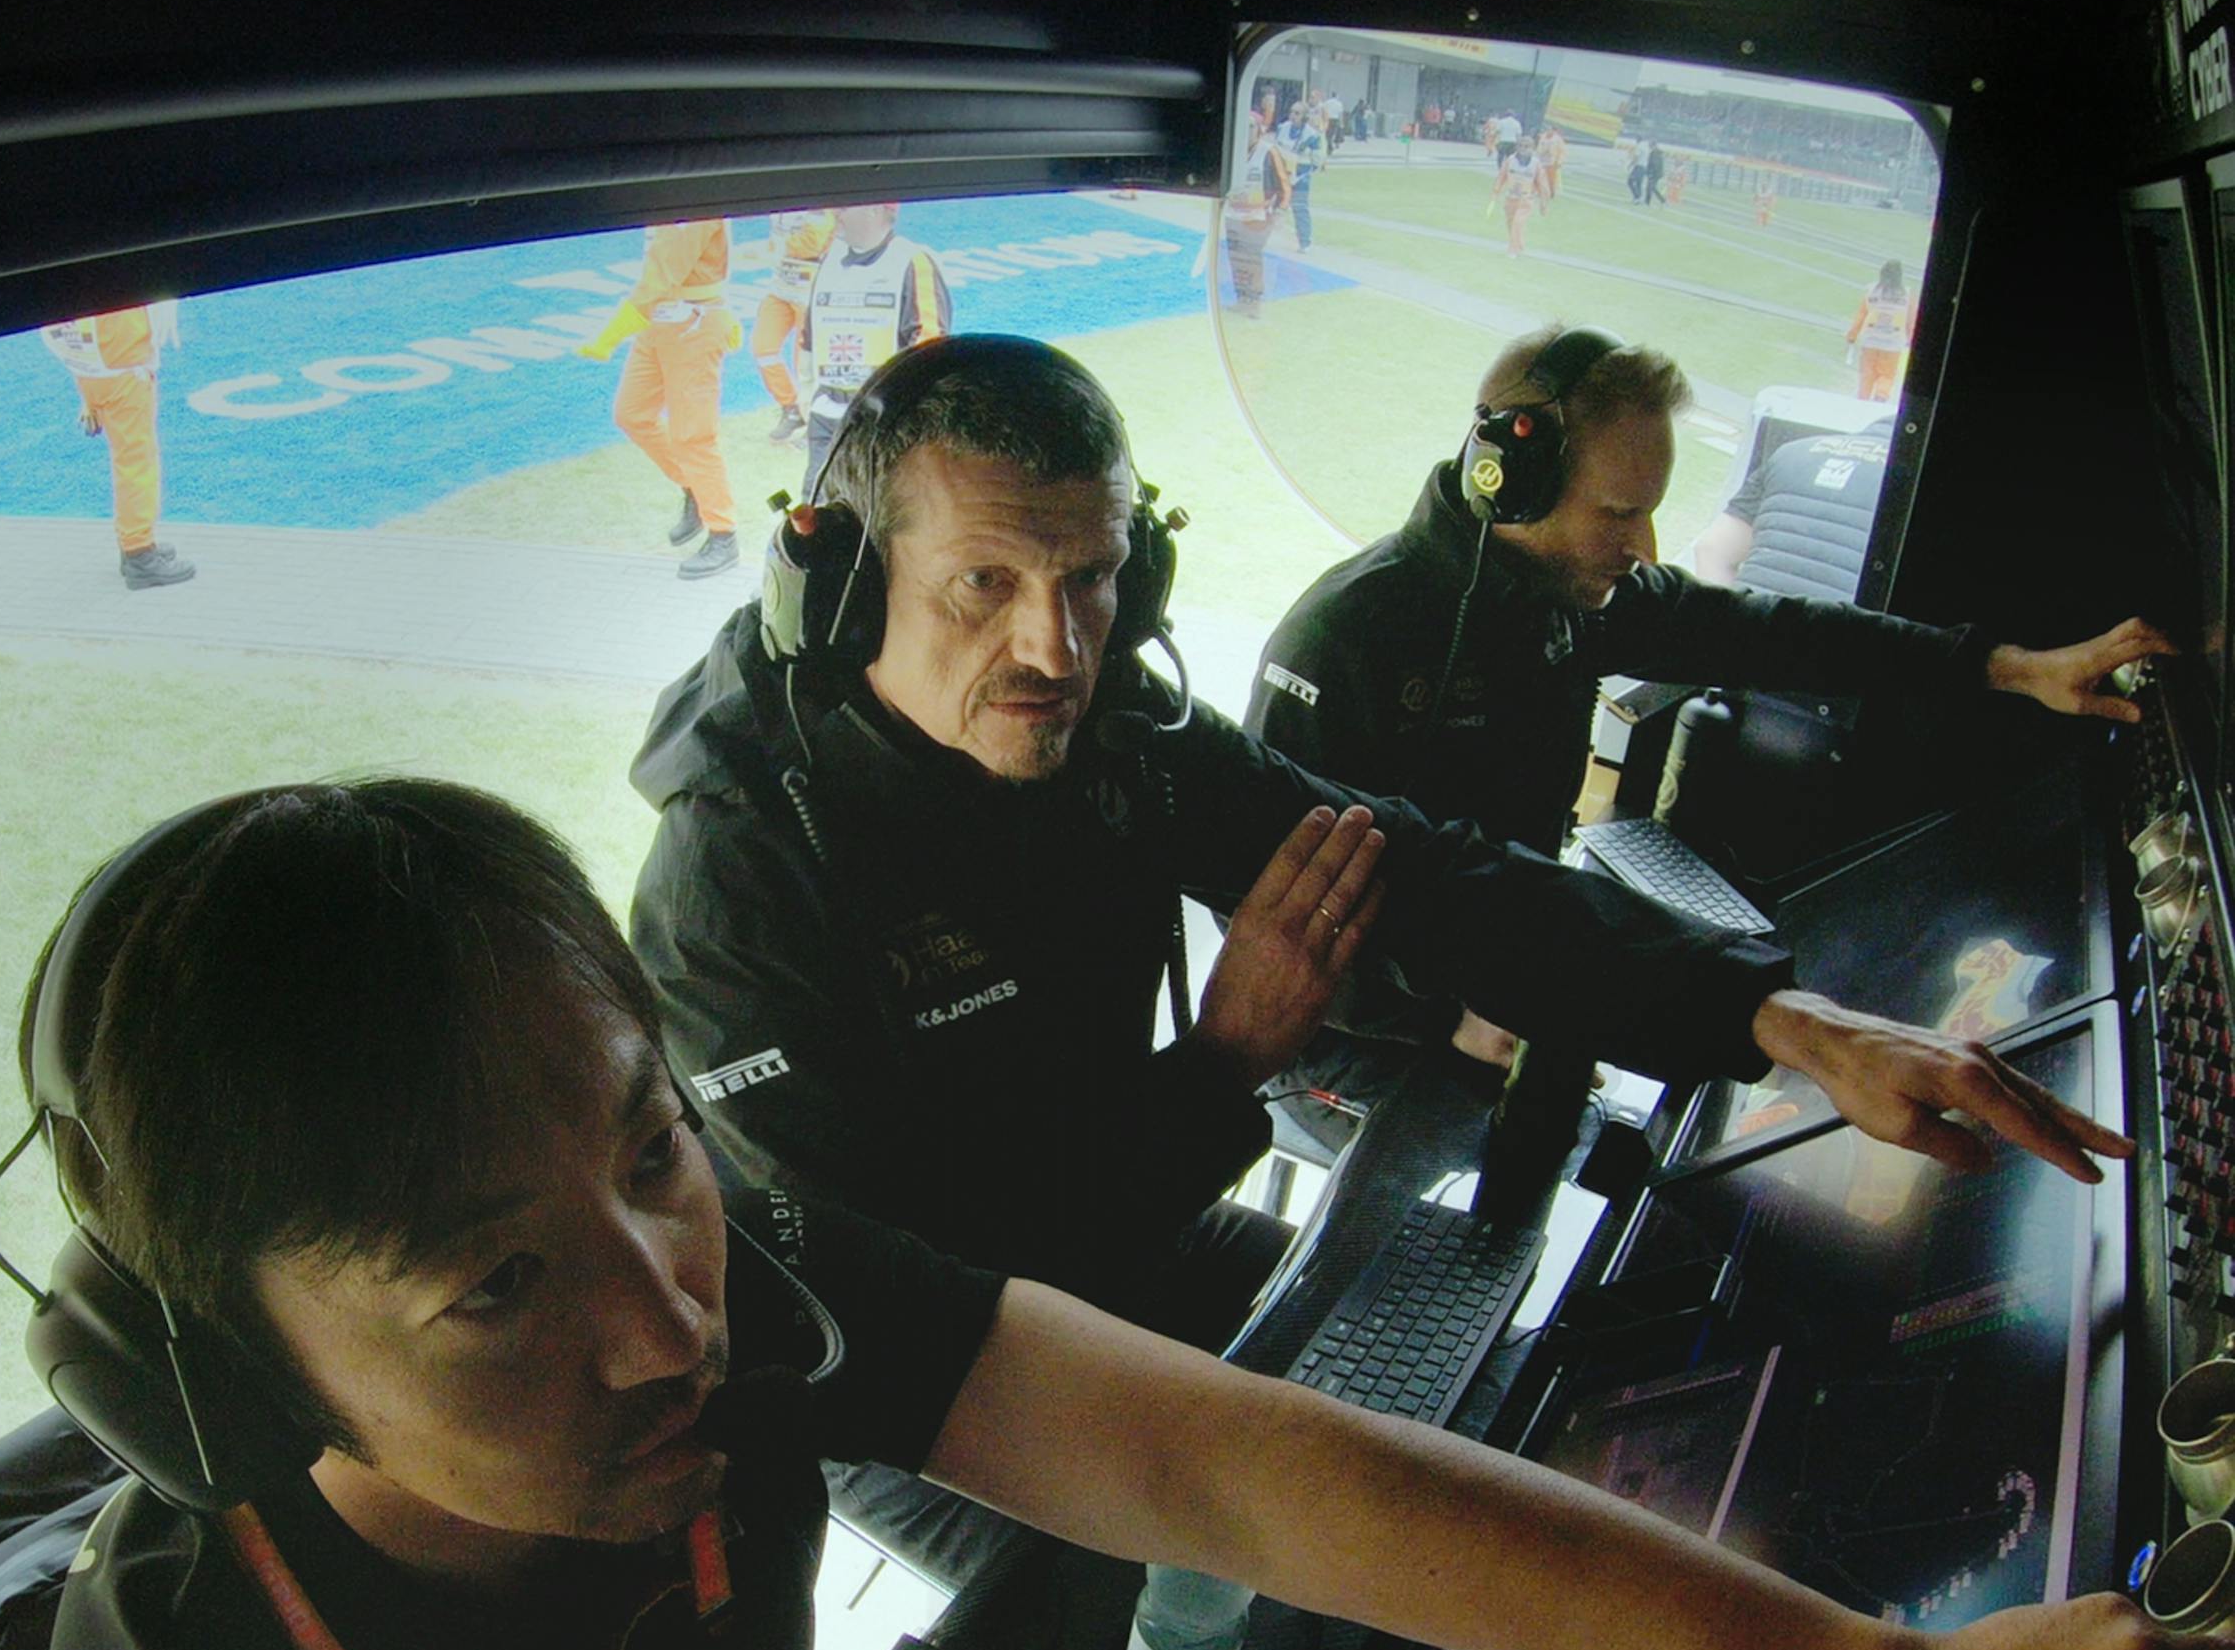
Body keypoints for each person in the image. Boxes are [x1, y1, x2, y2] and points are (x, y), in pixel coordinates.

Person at [25, 775, 2234, 1650]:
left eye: (648, 1146)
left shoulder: (730, 1273)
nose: (665, 1316)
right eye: (497, 1283)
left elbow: (1209, 1454)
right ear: (219, 1368)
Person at [626, 331, 2148, 1580]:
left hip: (1139, 1225)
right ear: (838, 592)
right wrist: (1226, 1070)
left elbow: (1427, 873)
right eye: (984, 584)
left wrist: (1781, 1022)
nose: (1055, 648)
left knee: (1449, 1417)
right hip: (939, 1378)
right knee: (1212, 1624)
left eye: (1091, 579)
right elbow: (911, 1289)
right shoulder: (738, 889)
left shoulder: (1115, 732)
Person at [1244, 326, 2170, 1064]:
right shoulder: (1343, 641)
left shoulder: (1575, 595)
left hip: (1511, 983)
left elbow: (1781, 633)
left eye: (1652, 509)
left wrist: (2010, 667)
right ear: (1512, 486)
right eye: (1617, 514)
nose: (1645, 547)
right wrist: (1443, 1019)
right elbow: (1252, 900)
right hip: (1348, 1040)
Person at [577, 217, 743, 580]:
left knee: (693, 436)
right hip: (659, 321)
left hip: (693, 324)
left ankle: (723, 535)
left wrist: (611, 335)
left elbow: (663, 274)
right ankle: (696, 490)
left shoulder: (697, 199)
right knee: (632, 413)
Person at [796, 202, 952, 499]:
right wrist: (806, 394)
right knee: (815, 510)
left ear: (876, 209)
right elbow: (809, 333)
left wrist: (900, 411)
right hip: (827, 413)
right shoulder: (829, 260)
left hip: (882, 419)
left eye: (845, 207)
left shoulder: (911, 261)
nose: (836, 214)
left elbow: (930, 346)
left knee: (877, 510)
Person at [40, 303, 197, 589]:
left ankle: (133, 545)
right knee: (136, 460)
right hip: (122, 368)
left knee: (129, 457)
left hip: (87, 361)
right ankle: (139, 554)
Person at [1689, 423, 1896, 602]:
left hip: (1751, 624)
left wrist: (1722, 624)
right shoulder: (1915, 484)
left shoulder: (1791, 452)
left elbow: (1712, 550)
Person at [750, 208, 835, 444]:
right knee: (763, 348)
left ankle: (815, 423)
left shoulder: (819, 206)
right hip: (780, 288)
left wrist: (778, 246)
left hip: (810, 291)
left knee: (807, 363)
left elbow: (812, 243)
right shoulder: (776, 204)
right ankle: (791, 407)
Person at [1224, 101, 1292, 319]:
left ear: (1260, 129)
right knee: (1237, 258)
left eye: (1251, 127)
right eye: (1243, 127)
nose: (1246, 131)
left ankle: (1253, 301)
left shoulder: (1268, 152)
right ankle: (1242, 299)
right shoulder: (1233, 150)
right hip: (1234, 214)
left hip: (1257, 217)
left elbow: (1284, 185)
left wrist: (1280, 211)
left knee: (1250, 257)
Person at [1849, 259, 1918, 401]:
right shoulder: (1907, 295)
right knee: (1887, 375)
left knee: (1867, 374)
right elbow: (1911, 321)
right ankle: (1881, 395)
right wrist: (1911, 341)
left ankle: (1863, 399)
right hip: (1893, 343)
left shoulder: (1871, 291)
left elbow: (1861, 315)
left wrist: (1852, 335)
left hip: (1870, 340)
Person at [1280, 98, 1324, 251]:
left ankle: (1305, 241)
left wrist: (1302, 173)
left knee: (1300, 208)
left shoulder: (1312, 135)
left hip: (1300, 176)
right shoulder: (1283, 128)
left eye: (1297, 113)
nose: (1293, 115)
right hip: (1282, 174)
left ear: (1305, 117)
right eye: (1291, 112)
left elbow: (1317, 159)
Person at [1493, 141, 1539, 257]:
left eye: (1527, 146)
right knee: (1511, 222)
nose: (1523, 148)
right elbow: (1502, 176)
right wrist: (1496, 191)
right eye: (1521, 146)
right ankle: (1518, 244)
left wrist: (1543, 199)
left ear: (1532, 149)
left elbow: (1541, 182)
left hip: (1526, 199)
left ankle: (1513, 249)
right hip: (1511, 197)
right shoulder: (1510, 160)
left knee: (1518, 223)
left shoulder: (1536, 164)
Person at [1534, 124, 1566, 210]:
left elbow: (1562, 151)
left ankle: (1551, 192)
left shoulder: (1558, 140)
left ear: (1554, 131)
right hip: (1541, 160)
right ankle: (1539, 191)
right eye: (1547, 129)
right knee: (1539, 177)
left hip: (1552, 161)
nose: (1548, 131)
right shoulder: (1543, 137)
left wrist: (1560, 161)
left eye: (1550, 130)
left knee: (1551, 179)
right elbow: (1539, 148)